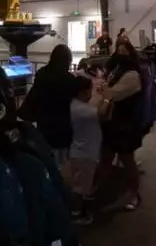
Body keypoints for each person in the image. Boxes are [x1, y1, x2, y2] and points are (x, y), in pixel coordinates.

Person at [96, 40, 143, 211]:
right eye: (119, 50)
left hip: (124, 125)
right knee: (106, 159)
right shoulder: (116, 70)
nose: (121, 53)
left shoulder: (132, 75)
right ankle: (97, 190)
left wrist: (105, 90)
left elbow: (112, 93)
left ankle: (134, 194)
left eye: (124, 50)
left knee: (127, 161)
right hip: (112, 123)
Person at [19, 44, 78, 163]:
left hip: (44, 124)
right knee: (63, 160)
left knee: (47, 156)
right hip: (63, 126)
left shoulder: (42, 74)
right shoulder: (69, 79)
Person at [64, 75, 102, 225]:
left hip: (84, 152)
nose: (91, 94)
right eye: (89, 91)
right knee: (79, 188)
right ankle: (76, 214)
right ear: (82, 92)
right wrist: (108, 96)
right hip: (83, 154)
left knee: (81, 185)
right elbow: (103, 113)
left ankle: (77, 211)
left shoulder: (78, 105)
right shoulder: (79, 109)